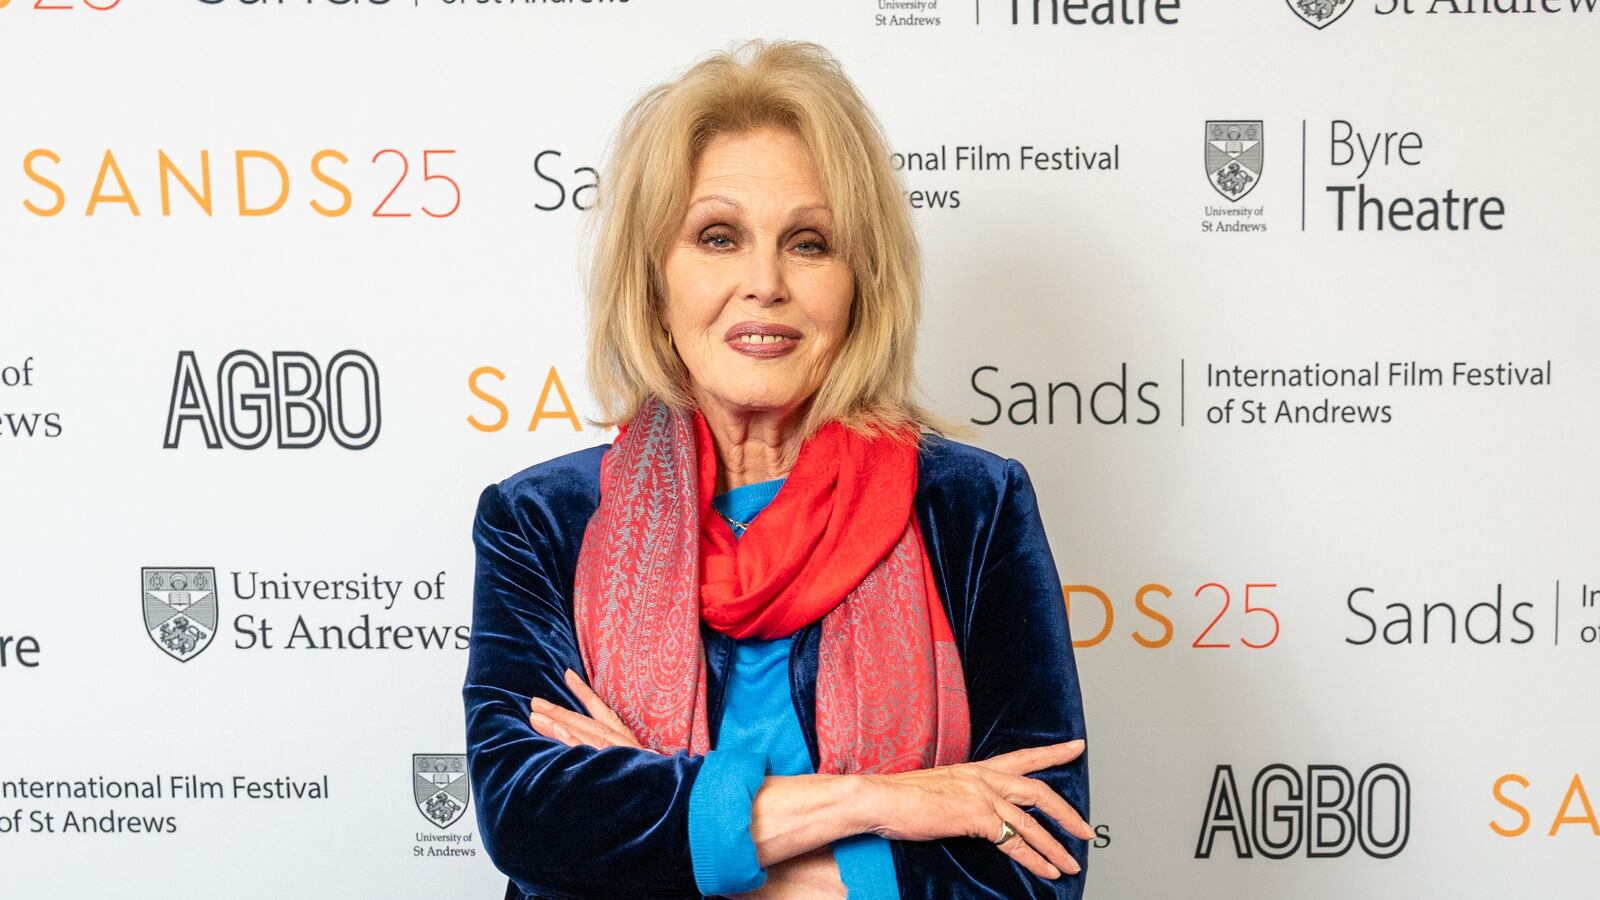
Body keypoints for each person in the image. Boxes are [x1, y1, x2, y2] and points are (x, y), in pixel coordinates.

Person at [463, 38, 1090, 899]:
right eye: (718, 237)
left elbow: (1039, 858)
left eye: (808, 243)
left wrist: (667, 832)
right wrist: (881, 803)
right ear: (656, 285)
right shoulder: (541, 521)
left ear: (860, 283)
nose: (765, 282)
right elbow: (530, 819)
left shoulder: (973, 508)